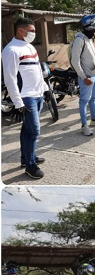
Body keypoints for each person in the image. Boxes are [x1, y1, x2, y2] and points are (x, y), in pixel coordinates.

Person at [1, 18, 48, 179]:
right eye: (32, 31)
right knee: (34, 131)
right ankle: (30, 166)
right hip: (26, 97)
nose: (34, 34)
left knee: (27, 130)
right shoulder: (11, 50)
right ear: (21, 31)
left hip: (37, 94)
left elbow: (37, 70)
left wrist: (45, 89)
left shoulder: (29, 47)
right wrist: (18, 103)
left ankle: (26, 158)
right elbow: (10, 79)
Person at [71, 14, 95, 136]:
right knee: (84, 101)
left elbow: (93, 58)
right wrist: (83, 77)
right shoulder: (79, 40)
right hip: (86, 77)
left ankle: (94, 119)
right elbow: (75, 61)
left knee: (93, 99)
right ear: (90, 29)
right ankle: (84, 125)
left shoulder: (89, 39)